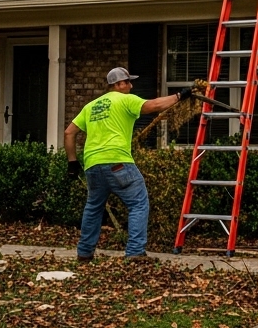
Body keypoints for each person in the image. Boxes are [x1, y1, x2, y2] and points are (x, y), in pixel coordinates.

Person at [65, 67, 191, 261]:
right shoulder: (125, 100)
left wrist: (72, 163)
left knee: (93, 207)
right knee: (138, 202)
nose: (131, 86)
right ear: (118, 84)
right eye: (128, 82)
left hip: (92, 165)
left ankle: (84, 253)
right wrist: (179, 96)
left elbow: (69, 133)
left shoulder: (91, 106)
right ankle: (135, 252)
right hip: (118, 162)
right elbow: (155, 105)